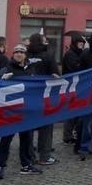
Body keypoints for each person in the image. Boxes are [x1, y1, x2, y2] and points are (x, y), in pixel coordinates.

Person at [0, 44, 43, 179]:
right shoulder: (6, 68)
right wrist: (2, 79)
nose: (19, 54)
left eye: (22, 52)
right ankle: (0, 166)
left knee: (26, 139)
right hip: (11, 110)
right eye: (17, 52)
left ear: (25, 55)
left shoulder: (30, 69)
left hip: (26, 110)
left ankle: (26, 165)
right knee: (6, 139)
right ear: (13, 54)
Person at [25, 32, 61, 165]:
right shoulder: (47, 55)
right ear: (41, 41)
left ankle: (29, 156)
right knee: (46, 125)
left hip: (28, 96)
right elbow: (55, 73)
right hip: (44, 96)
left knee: (28, 127)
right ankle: (45, 156)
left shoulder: (25, 55)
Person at [61, 32, 86, 146]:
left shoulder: (78, 54)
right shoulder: (71, 54)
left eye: (82, 42)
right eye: (79, 42)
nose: (81, 44)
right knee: (71, 112)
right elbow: (74, 69)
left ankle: (73, 133)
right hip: (71, 86)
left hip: (77, 86)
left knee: (77, 111)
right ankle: (68, 135)